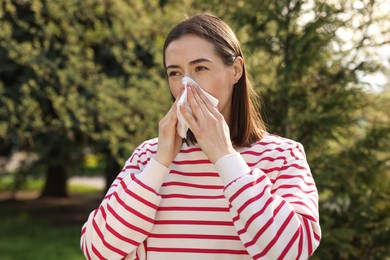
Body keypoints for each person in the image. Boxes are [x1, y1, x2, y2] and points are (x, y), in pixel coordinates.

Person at [80, 14, 321, 260]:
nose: (186, 84)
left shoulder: (282, 156)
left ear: (235, 70)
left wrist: (225, 157)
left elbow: (293, 250)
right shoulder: (147, 155)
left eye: (200, 68)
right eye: (174, 73)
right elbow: (98, 250)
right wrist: (159, 163)